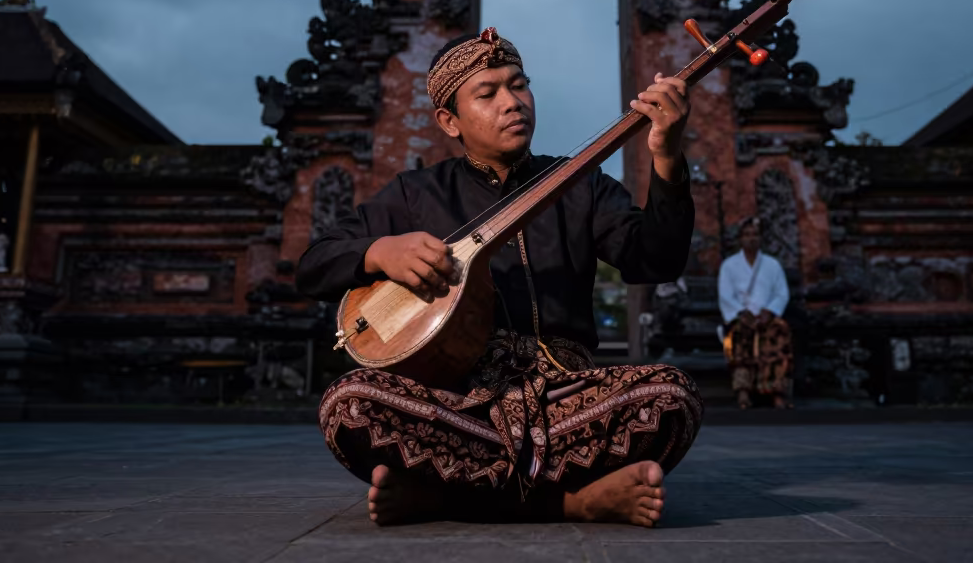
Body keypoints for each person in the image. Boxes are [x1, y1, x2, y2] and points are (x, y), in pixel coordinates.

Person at [297, 27, 703, 527]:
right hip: (459, 404)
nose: (512, 102)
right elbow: (314, 265)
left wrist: (666, 156)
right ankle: (576, 500)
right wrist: (381, 251)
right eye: (487, 94)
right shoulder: (415, 194)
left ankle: (445, 498)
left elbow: (657, 261)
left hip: (566, 401)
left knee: (670, 395)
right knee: (349, 403)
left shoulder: (583, 185)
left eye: (519, 84)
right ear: (450, 121)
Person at [716, 217, 793, 409]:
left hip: (767, 317)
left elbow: (781, 293)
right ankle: (743, 391)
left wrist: (769, 311)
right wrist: (741, 314)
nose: (751, 239)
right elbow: (725, 296)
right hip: (741, 317)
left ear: (761, 239)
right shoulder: (729, 266)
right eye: (747, 235)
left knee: (779, 332)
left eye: (755, 235)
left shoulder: (772, 265)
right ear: (740, 239)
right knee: (740, 337)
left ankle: (776, 391)